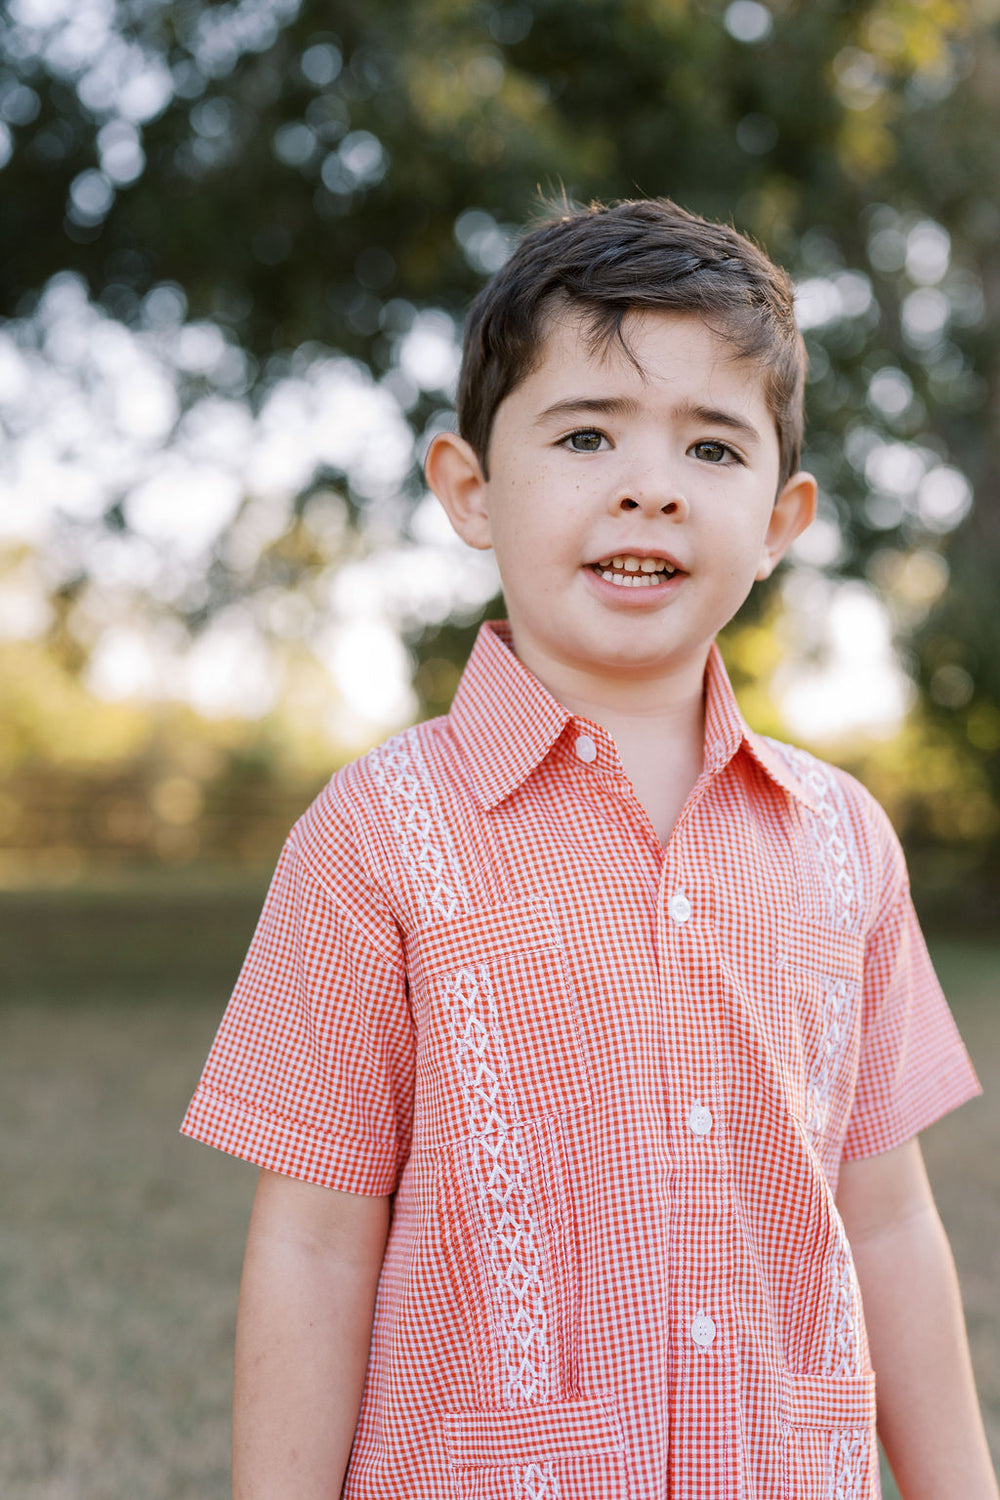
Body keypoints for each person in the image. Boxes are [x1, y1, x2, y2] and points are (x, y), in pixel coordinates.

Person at [182, 198, 998, 1499]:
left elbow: (886, 1216)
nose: (649, 483)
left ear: (783, 520)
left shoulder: (843, 843)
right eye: (584, 432)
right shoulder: (376, 837)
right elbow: (319, 1245)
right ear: (471, 489)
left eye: (713, 448)